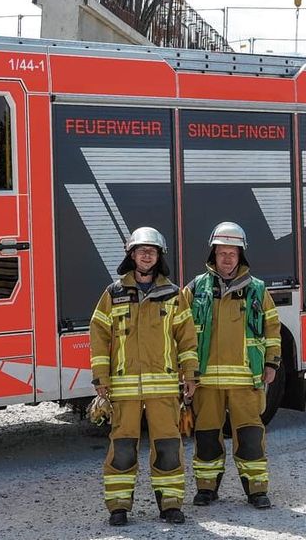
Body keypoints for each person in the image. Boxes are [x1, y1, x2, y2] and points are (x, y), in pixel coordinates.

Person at [89, 226, 198, 527]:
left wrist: (189, 374)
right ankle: (119, 507)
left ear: (159, 257)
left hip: (163, 388)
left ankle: (171, 504)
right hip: (123, 389)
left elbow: (187, 339)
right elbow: (98, 336)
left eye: (151, 250)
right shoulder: (113, 294)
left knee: (167, 446)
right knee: (122, 449)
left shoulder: (174, 295)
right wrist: (101, 377)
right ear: (131, 255)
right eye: (140, 250)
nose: (146, 255)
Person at [183, 221, 281, 510]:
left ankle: (256, 490)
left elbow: (272, 330)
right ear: (213, 255)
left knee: (251, 437)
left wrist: (272, 363)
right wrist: (186, 373)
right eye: (222, 252)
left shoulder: (257, 290)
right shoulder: (195, 289)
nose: (227, 258)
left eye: (232, 253)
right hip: (206, 381)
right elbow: (182, 332)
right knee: (207, 437)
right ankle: (206, 489)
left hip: (245, 380)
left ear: (241, 256)